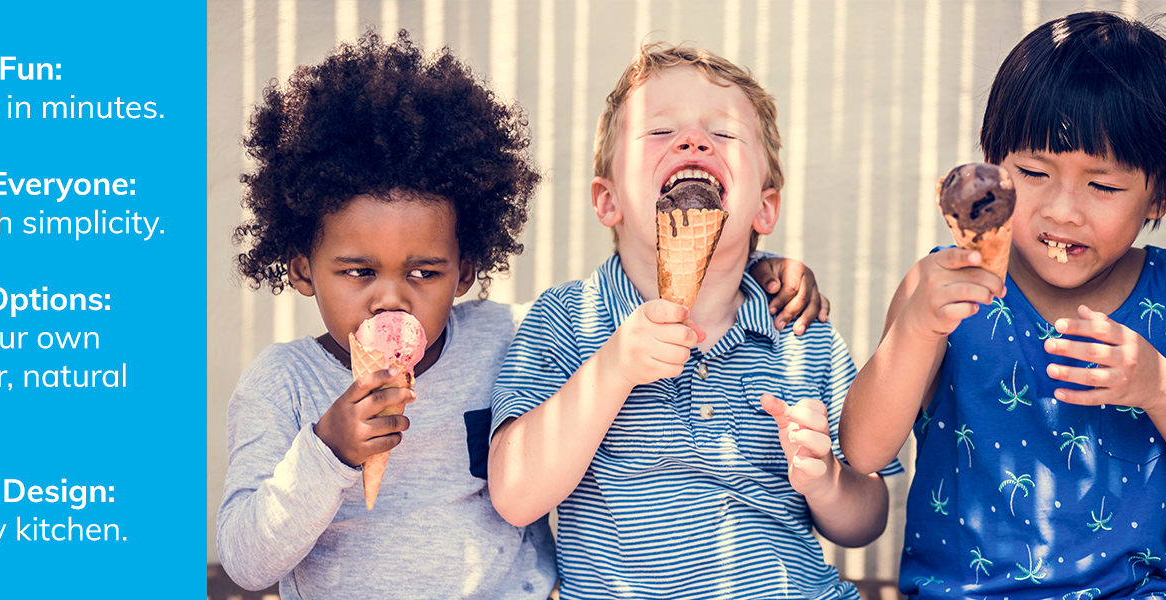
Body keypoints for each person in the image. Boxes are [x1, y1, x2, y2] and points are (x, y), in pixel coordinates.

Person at [216, 31, 825, 599]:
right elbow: (246, 561)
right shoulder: (283, 383)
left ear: (467, 269)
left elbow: (629, 296)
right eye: (358, 272)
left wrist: (755, 268)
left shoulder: (508, 335)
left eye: (425, 271)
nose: (391, 297)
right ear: (299, 268)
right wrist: (328, 451)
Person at [840, 12, 1166, 600]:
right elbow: (863, 450)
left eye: (1104, 185)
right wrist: (916, 329)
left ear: (1160, 195)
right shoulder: (944, 285)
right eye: (1034, 172)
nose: (1062, 211)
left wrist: (1161, 389)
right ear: (993, 167)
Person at [487, 42, 900, 600]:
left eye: (725, 134)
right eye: (659, 131)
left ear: (765, 209)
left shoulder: (801, 331)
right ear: (607, 200)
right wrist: (610, 370)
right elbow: (514, 495)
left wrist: (826, 481)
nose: (693, 140)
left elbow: (866, 520)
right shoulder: (568, 321)